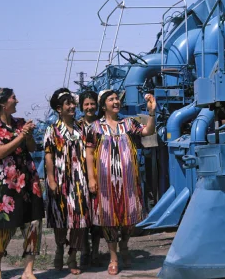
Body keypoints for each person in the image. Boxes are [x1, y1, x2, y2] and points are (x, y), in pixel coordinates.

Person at [86, 89, 156, 275]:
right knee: (108, 219)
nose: (116, 101)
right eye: (111, 99)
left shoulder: (128, 123)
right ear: (103, 105)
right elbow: (89, 154)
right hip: (105, 182)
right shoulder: (95, 127)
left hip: (128, 180)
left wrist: (151, 112)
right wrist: (91, 178)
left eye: (117, 98)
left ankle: (124, 245)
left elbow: (148, 131)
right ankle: (113, 257)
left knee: (129, 217)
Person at [0, 87, 44, 279]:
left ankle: (28, 269)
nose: (16, 101)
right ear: (2, 103)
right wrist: (21, 136)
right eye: (13, 98)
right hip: (5, 185)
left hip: (29, 179)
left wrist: (28, 135)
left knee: (34, 223)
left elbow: (31, 148)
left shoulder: (20, 123)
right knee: (5, 226)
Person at [44, 88, 91, 275]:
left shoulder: (82, 128)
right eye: (68, 104)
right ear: (59, 109)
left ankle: (72, 256)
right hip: (60, 179)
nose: (73, 106)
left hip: (80, 180)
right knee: (60, 220)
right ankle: (59, 247)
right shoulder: (52, 130)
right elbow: (48, 156)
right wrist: (51, 179)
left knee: (79, 220)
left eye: (73, 103)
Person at [77, 90, 102, 267]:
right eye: (86, 104)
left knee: (98, 215)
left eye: (92, 103)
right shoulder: (76, 126)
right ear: (81, 107)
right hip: (79, 176)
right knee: (83, 214)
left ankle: (95, 251)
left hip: (100, 174)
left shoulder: (102, 125)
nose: (90, 107)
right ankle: (84, 251)